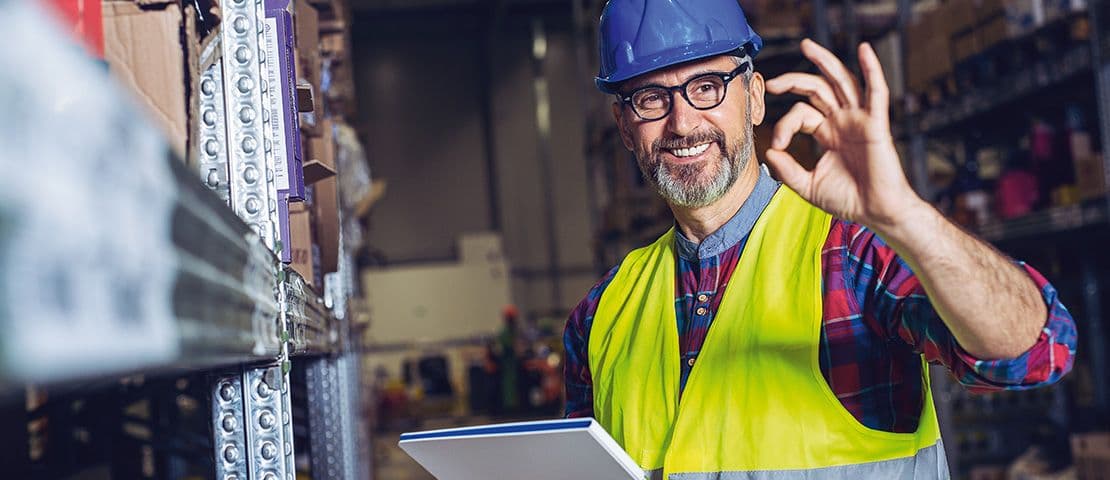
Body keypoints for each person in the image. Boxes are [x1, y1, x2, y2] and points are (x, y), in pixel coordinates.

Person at [563, 1, 1077, 479]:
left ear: (755, 98)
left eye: (706, 86)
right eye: (651, 98)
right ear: (625, 126)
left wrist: (905, 216)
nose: (682, 122)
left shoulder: (851, 257)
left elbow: (1035, 353)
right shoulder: (600, 314)